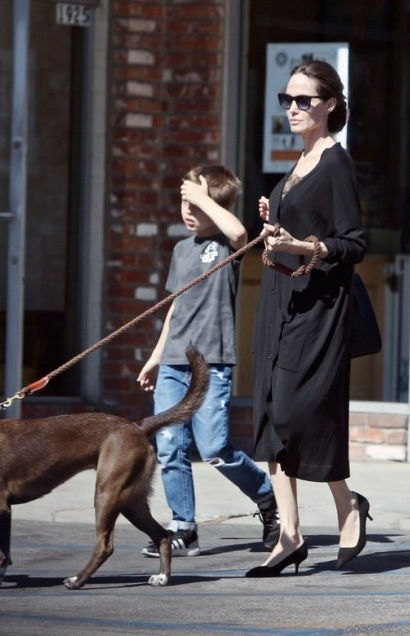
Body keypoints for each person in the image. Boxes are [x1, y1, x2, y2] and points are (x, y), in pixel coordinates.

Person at [246, 60, 371, 577]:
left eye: (304, 100)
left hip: (319, 309)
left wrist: (303, 244)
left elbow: (353, 242)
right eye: (287, 100)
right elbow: (297, 229)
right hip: (281, 301)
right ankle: (291, 535)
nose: (293, 109)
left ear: (331, 105)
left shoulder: (335, 163)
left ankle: (348, 505)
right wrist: (274, 224)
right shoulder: (298, 161)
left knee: (299, 414)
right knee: (271, 416)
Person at [137, 164, 279, 557]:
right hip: (173, 363)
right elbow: (175, 308)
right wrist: (155, 358)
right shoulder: (181, 249)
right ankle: (184, 527)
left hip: (212, 362)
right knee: (169, 444)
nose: (187, 210)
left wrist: (203, 196)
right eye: (184, 202)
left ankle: (268, 500)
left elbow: (238, 232)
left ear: (214, 203)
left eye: (195, 203)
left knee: (213, 445)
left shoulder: (227, 244)